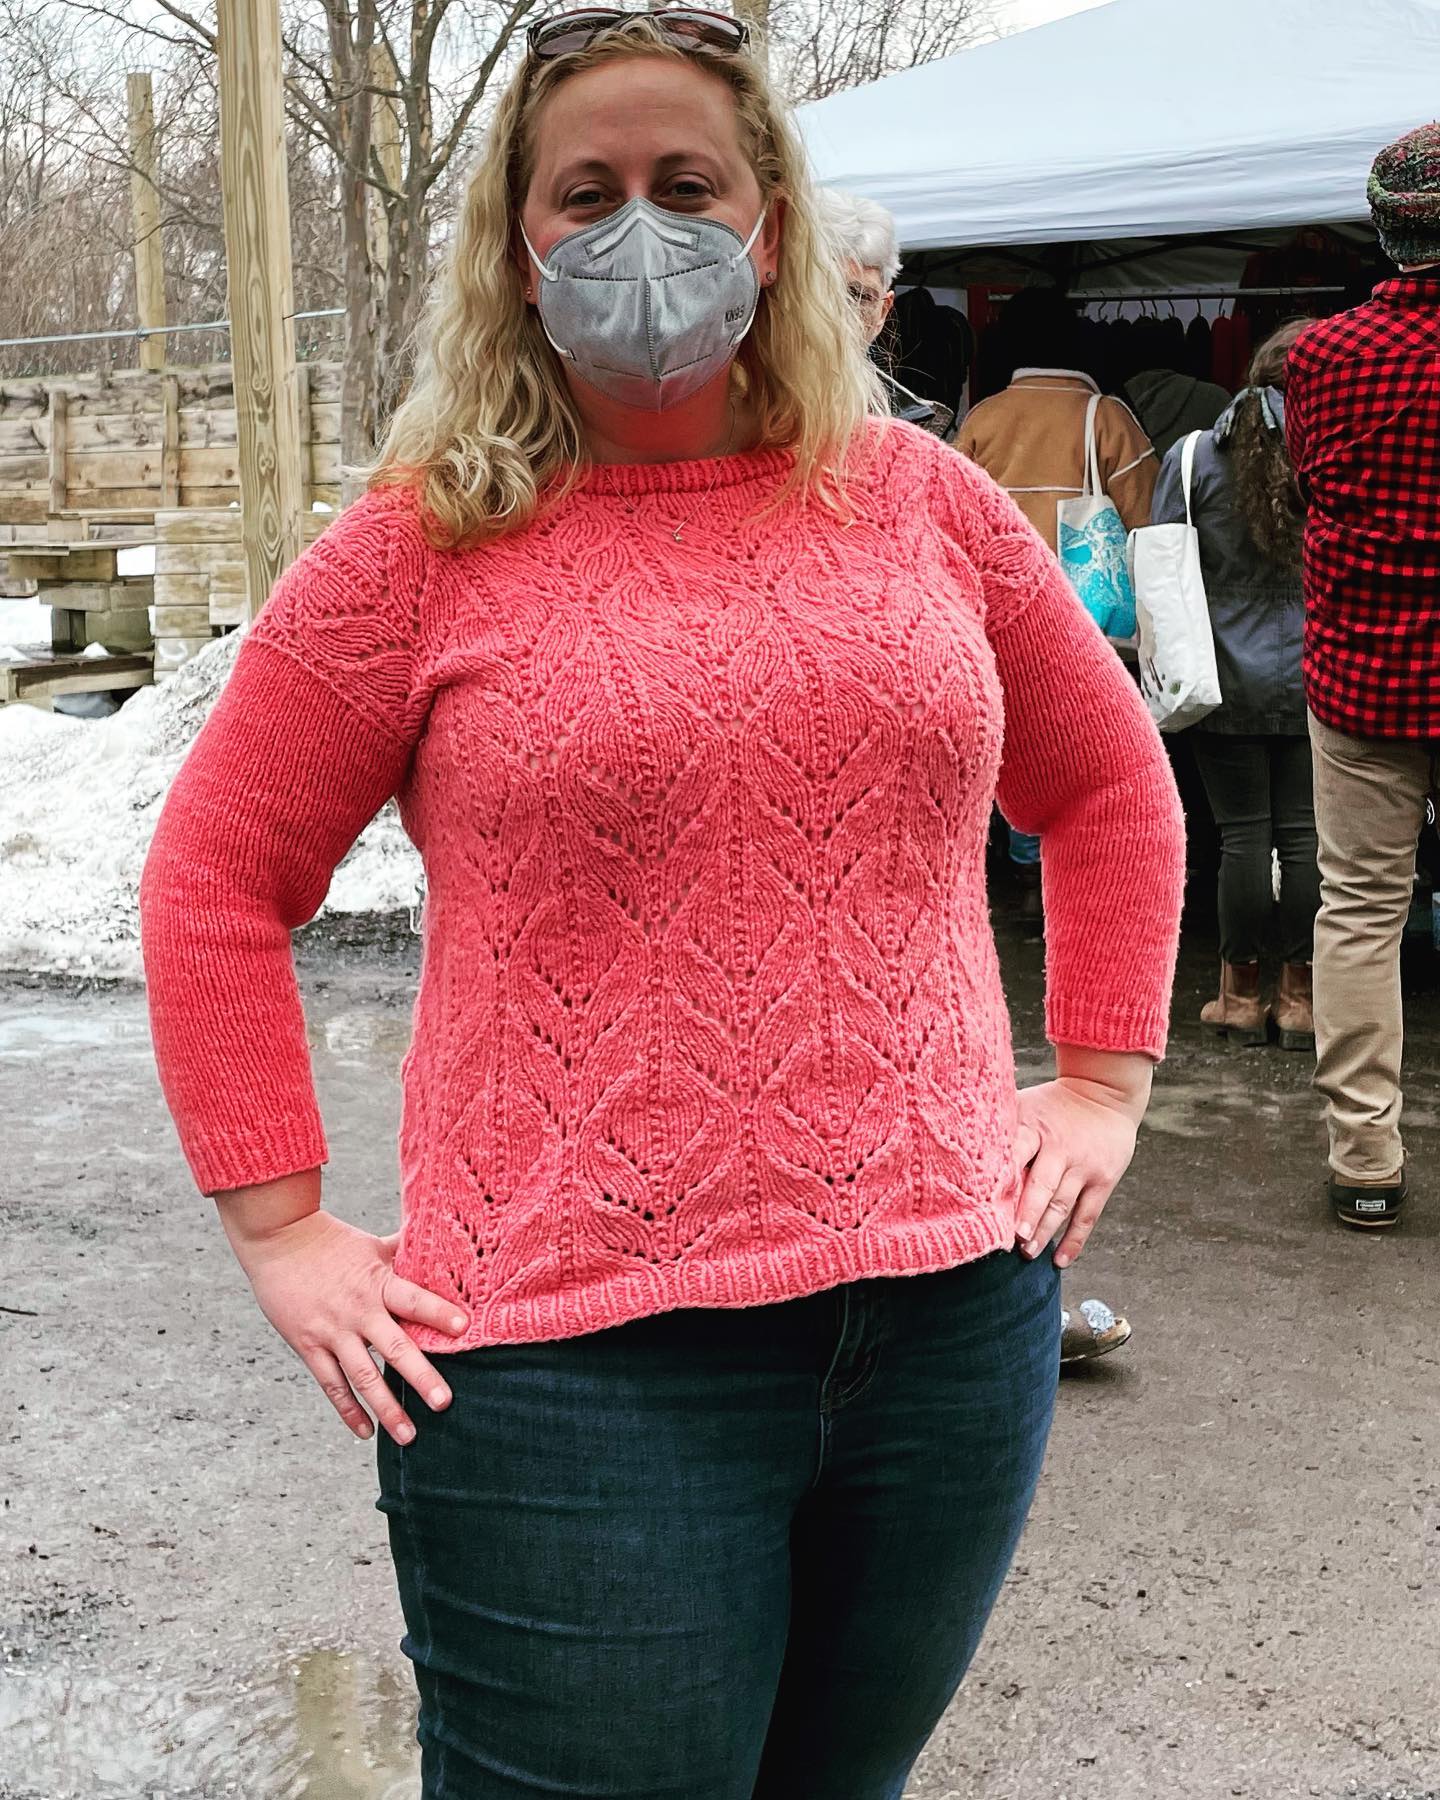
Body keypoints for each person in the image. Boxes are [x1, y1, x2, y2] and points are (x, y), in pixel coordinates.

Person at [138, 12, 1185, 1797]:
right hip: (569, 1371)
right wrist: (284, 1228)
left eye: (687, 185)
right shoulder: (417, 547)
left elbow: (1107, 790)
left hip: (946, 1332)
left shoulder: (922, 506)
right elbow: (216, 875)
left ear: (769, 224)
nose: (643, 229)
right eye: (589, 193)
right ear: (518, 245)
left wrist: (1099, 1083)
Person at [823, 187, 1136, 1369]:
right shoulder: (1084, 421)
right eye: (824, 291)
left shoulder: (932, 457)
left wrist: (1100, 1089)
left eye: (856, 298)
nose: (837, 317)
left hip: (932, 1176)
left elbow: (1109, 787)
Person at [1286, 121, 1440, 1232]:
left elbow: (1306, 484)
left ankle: (1366, 1159)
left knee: (1359, 915)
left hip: (1367, 674)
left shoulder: (1320, 354)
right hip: (1377, 670)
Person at [959, 290, 1159, 916]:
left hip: (993, 616)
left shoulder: (982, 420)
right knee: (1080, 748)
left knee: (1012, 744)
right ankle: (1072, 875)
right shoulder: (1109, 419)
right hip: (1086, 625)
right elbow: (1149, 525)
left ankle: (1022, 864)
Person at [1152, 322, 1318, 1050]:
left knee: (1242, 838)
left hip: (1219, 675)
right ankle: (1302, 998)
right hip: (1318, 673)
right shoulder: (1332, 454)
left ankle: (1242, 998)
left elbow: (1161, 554)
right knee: (1308, 840)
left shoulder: (1194, 457)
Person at [815, 185, 954, 436]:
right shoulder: (734, 413)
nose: (839, 312)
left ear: (883, 311)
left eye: (859, 296)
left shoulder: (913, 429)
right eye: (821, 290)